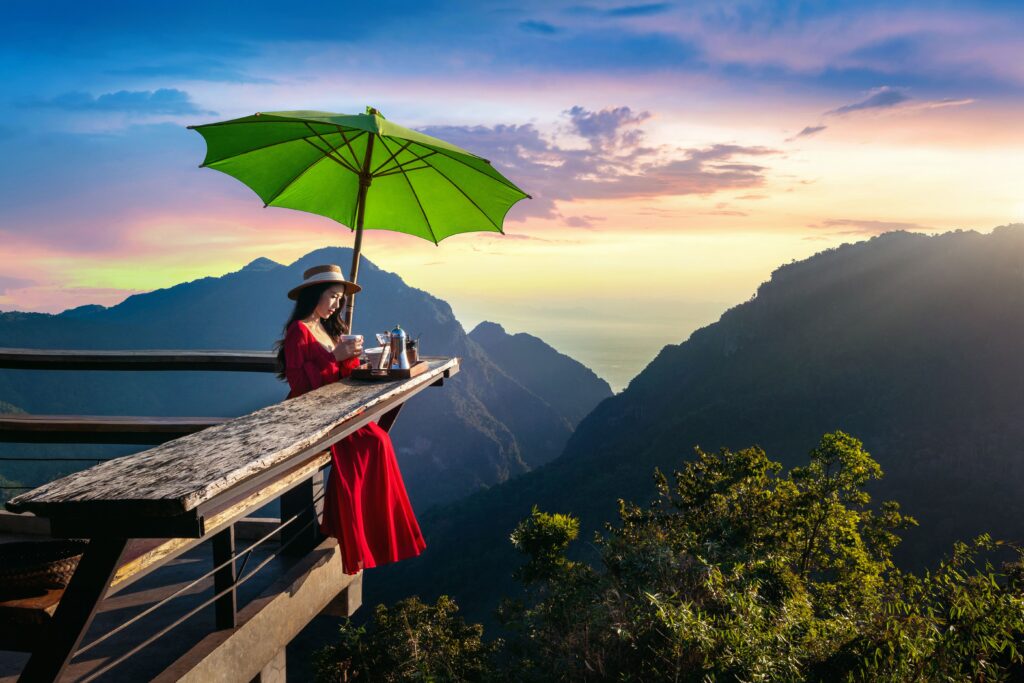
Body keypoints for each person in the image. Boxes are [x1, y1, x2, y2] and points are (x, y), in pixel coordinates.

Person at [275, 264, 426, 574]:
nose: (337, 304)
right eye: (332, 296)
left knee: (378, 441)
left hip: (336, 409)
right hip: (311, 415)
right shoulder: (298, 331)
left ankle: (361, 527)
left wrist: (353, 357)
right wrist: (336, 357)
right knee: (373, 443)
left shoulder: (327, 329)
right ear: (314, 295)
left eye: (340, 298)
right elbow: (300, 385)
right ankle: (354, 527)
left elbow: (340, 376)